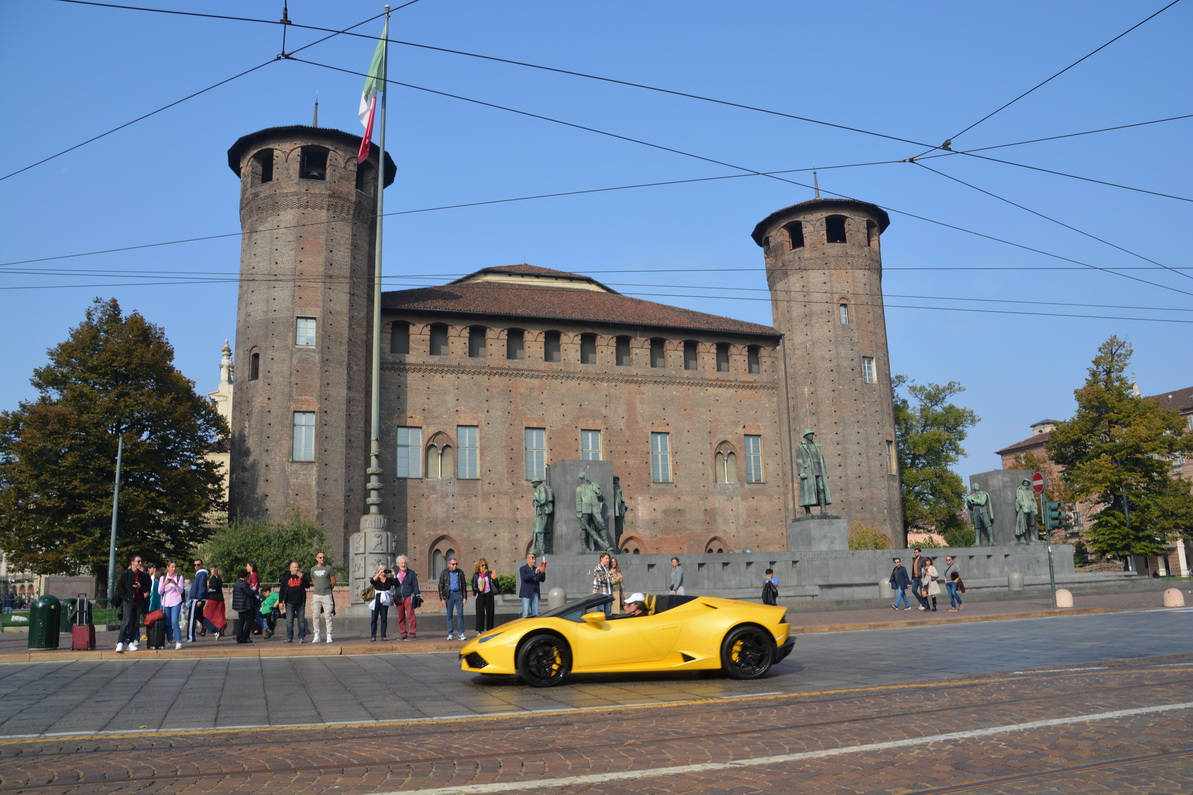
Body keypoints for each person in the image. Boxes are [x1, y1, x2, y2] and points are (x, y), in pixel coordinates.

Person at [114, 553, 148, 653]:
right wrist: (126, 598)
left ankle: (131, 642)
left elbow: (147, 587)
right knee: (126, 621)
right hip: (129, 601)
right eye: (138, 561)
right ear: (132, 562)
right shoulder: (125, 574)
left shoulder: (143, 575)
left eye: (141, 561)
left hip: (139, 601)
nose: (140, 563)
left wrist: (140, 587)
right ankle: (120, 642)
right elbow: (119, 588)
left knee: (135, 622)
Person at [796, 429, 832, 515]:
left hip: (819, 470)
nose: (811, 436)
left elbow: (822, 459)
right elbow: (799, 460)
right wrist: (801, 472)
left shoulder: (817, 445)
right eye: (809, 434)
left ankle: (823, 510)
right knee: (807, 491)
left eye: (812, 434)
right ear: (806, 436)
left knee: (821, 489)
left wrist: (825, 472)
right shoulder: (801, 446)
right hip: (808, 471)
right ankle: (808, 512)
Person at [186, 559, 220, 642]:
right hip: (199, 598)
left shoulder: (201, 574)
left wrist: (200, 599)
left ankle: (190, 637)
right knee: (200, 617)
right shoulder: (200, 574)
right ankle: (215, 630)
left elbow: (201, 586)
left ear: (202, 565)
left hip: (197, 599)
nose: (196, 566)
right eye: (195, 565)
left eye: (198, 564)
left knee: (192, 618)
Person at [576, 472, 610, 552]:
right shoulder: (579, 488)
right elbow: (578, 500)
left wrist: (598, 492)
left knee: (601, 523)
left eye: (586, 477)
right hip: (585, 509)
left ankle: (606, 542)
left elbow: (600, 497)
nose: (586, 478)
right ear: (582, 478)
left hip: (595, 508)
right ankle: (584, 546)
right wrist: (579, 511)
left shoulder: (593, 485)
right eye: (585, 477)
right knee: (584, 528)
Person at [278, 560, 311, 643]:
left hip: (300, 602)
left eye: (297, 567)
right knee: (289, 621)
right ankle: (289, 637)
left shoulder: (302, 575)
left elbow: (307, 586)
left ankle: (301, 637)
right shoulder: (286, 577)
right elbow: (282, 589)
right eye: (294, 567)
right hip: (289, 602)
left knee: (301, 621)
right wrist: (280, 601)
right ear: (290, 568)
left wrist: (302, 578)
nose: (296, 569)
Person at [157, 560, 186, 650]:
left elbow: (181, 591)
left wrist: (175, 584)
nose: (173, 569)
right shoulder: (163, 578)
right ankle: (169, 641)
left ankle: (178, 641)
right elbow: (159, 592)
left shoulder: (179, 577)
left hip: (176, 601)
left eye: (174, 567)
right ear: (168, 567)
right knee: (167, 622)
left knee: (174, 621)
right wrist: (164, 584)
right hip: (166, 602)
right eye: (172, 567)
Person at [438, 557, 468, 640]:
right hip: (449, 595)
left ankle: (461, 633)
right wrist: (442, 598)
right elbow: (440, 586)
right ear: (449, 564)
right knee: (449, 615)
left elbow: (464, 585)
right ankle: (450, 633)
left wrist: (465, 597)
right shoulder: (444, 573)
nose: (455, 566)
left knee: (460, 614)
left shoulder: (460, 572)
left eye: (456, 564)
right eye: (453, 564)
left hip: (458, 594)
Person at [309, 551, 336, 644]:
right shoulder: (313, 569)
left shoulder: (329, 568)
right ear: (317, 558)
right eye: (320, 557)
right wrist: (319, 587)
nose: (322, 559)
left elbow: (333, 581)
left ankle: (329, 635)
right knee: (315, 616)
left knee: (328, 615)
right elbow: (313, 581)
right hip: (316, 595)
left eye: (323, 557)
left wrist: (328, 588)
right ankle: (316, 635)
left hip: (327, 595)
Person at [393, 555, 420, 640]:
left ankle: (412, 634)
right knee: (400, 617)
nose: (403, 564)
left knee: (411, 616)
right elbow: (393, 584)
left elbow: (415, 585)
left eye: (405, 563)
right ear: (398, 564)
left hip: (408, 596)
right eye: (402, 563)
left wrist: (417, 595)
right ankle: (403, 634)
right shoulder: (395, 573)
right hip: (399, 597)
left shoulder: (411, 573)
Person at [231, 569, 258, 644]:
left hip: (239, 606)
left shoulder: (237, 583)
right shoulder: (243, 584)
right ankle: (244, 637)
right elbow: (249, 593)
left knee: (241, 622)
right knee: (249, 621)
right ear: (244, 576)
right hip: (245, 605)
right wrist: (253, 590)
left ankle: (239, 637)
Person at [471, 559, 498, 634]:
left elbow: (496, 584)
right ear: (478, 566)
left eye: (485, 565)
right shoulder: (476, 575)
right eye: (482, 565)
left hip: (489, 594)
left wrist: (495, 579)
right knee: (480, 614)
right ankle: (479, 631)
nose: (484, 567)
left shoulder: (489, 574)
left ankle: (490, 630)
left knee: (490, 613)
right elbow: (473, 587)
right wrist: (479, 589)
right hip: (480, 595)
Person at [369, 565, 394, 641]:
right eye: (382, 569)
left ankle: (383, 635)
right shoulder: (376, 578)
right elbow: (372, 581)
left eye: (385, 569)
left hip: (385, 599)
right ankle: (373, 636)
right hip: (377, 598)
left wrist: (394, 574)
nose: (384, 571)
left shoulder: (389, 579)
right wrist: (378, 573)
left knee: (384, 618)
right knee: (374, 618)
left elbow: (397, 583)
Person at [518, 552, 546, 618]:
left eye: (534, 558)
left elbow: (542, 579)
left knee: (535, 613)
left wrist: (542, 572)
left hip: (535, 593)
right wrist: (534, 572)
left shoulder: (536, 568)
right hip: (526, 594)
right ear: (527, 559)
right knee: (525, 613)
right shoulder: (523, 569)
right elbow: (525, 578)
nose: (534, 560)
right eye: (532, 558)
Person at [202, 566, 227, 638]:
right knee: (220, 615)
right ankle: (221, 628)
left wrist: (208, 585)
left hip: (213, 598)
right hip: (220, 598)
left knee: (207, 614)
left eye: (212, 569)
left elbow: (214, 586)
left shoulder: (213, 577)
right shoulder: (220, 578)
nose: (211, 570)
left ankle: (203, 629)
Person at [531, 478, 554, 555]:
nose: (532, 484)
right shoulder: (538, 489)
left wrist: (536, 496)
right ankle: (544, 549)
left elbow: (543, 500)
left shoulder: (541, 488)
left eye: (533, 482)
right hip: (540, 512)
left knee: (539, 530)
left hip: (542, 512)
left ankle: (541, 550)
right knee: (541, 530)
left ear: (537, 482)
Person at [1015, 480, 1038, 544]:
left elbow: (1033, 500)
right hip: (1024, 509)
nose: (1025, 483)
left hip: (1031, 508)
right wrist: (1023, 506)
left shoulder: (1030, 492)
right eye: (1024, 482)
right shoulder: (1020, 490)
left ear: (1028, 483)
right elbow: (1019, 499)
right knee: (1022, 524)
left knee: (1032, 524)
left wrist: (1035, 508)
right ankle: (1022, 538)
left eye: (1027, 482)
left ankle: (1032, 538)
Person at [612, 476, 628, 550]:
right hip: (616, 513)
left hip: (620, 513)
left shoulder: (618, 490)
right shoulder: (615, 489)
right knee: (617, 531)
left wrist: (624, 504)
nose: (618, 483)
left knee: (619, 531)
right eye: (616, 481)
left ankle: (616, 547)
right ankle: (615, 547)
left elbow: (620, 499)